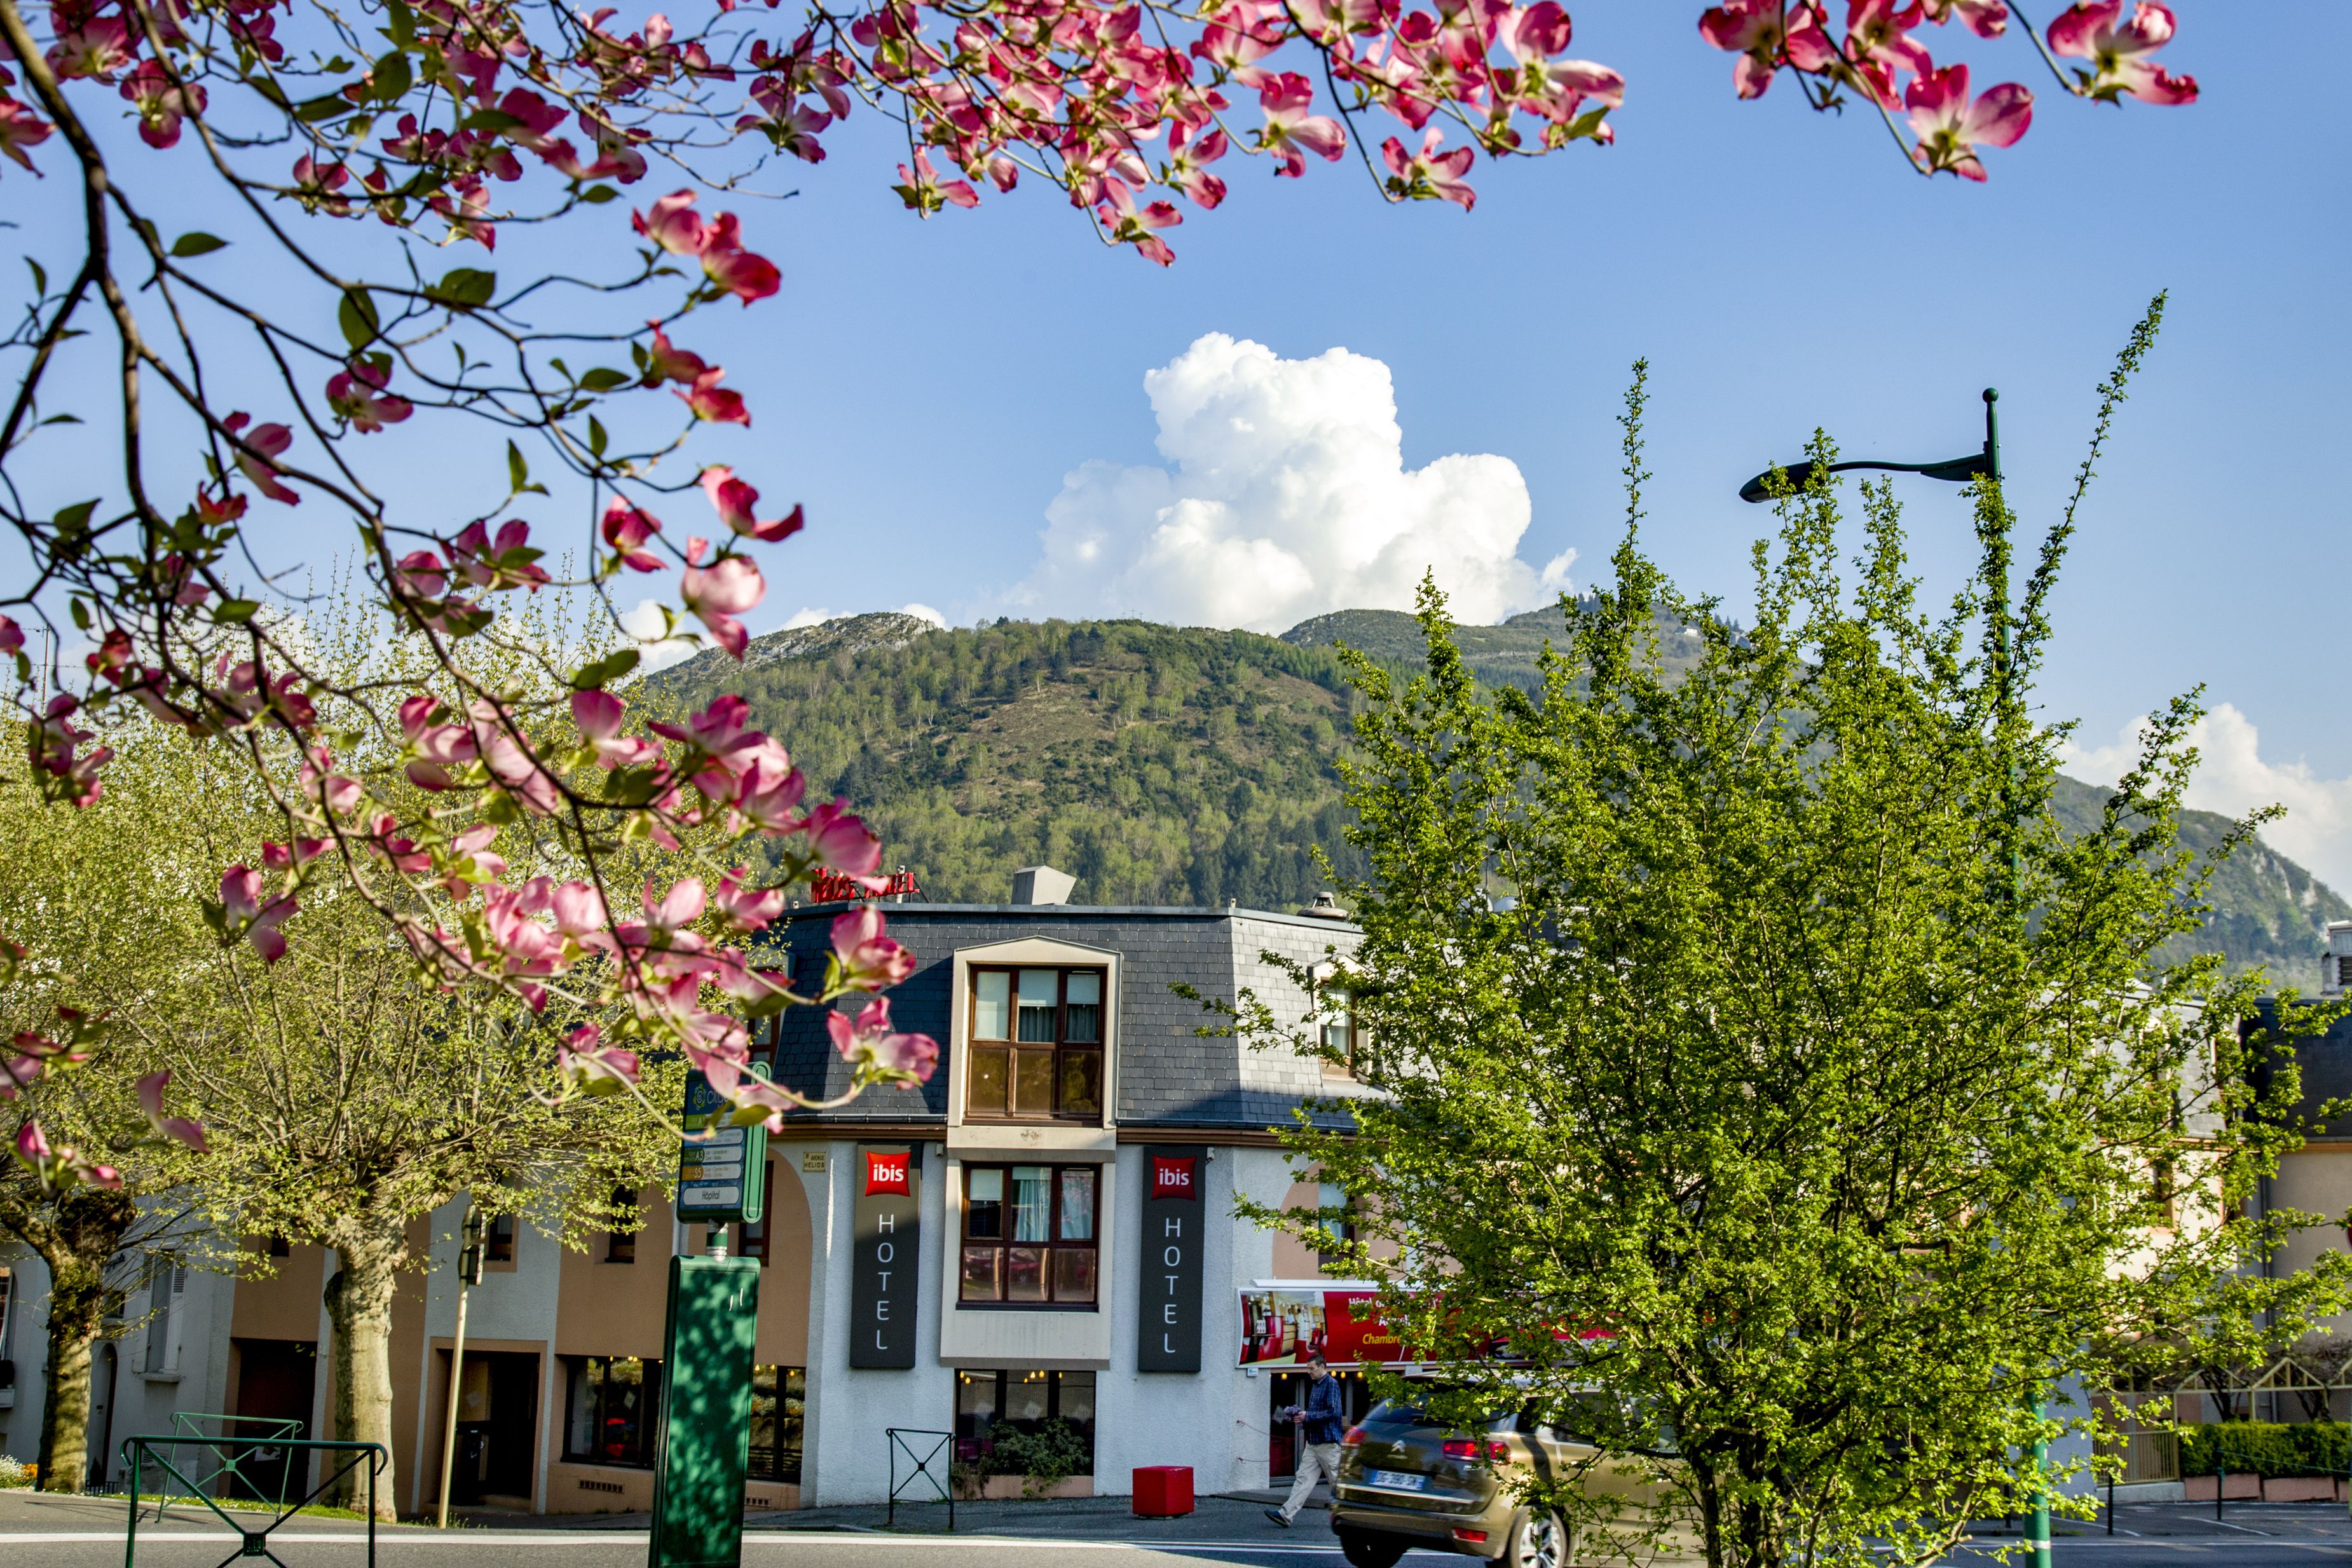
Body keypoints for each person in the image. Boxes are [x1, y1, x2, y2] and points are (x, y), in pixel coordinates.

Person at [1266, 1352, 1345, 1528]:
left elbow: (1334, 1412)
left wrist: (1307, 1415)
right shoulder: (1316, 1385)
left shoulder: (1331, 1384)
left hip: (1327, 1442)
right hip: (1314, 1441)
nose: (1309, 1372)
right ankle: (1285, 1515)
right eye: (1308, 1368)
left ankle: (1348, 1517)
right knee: (1303, 1479)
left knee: (1336, 1481)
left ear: (1322, 1366)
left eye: (1312, 1368)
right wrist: (1303, 1417)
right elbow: (1320, 1414)